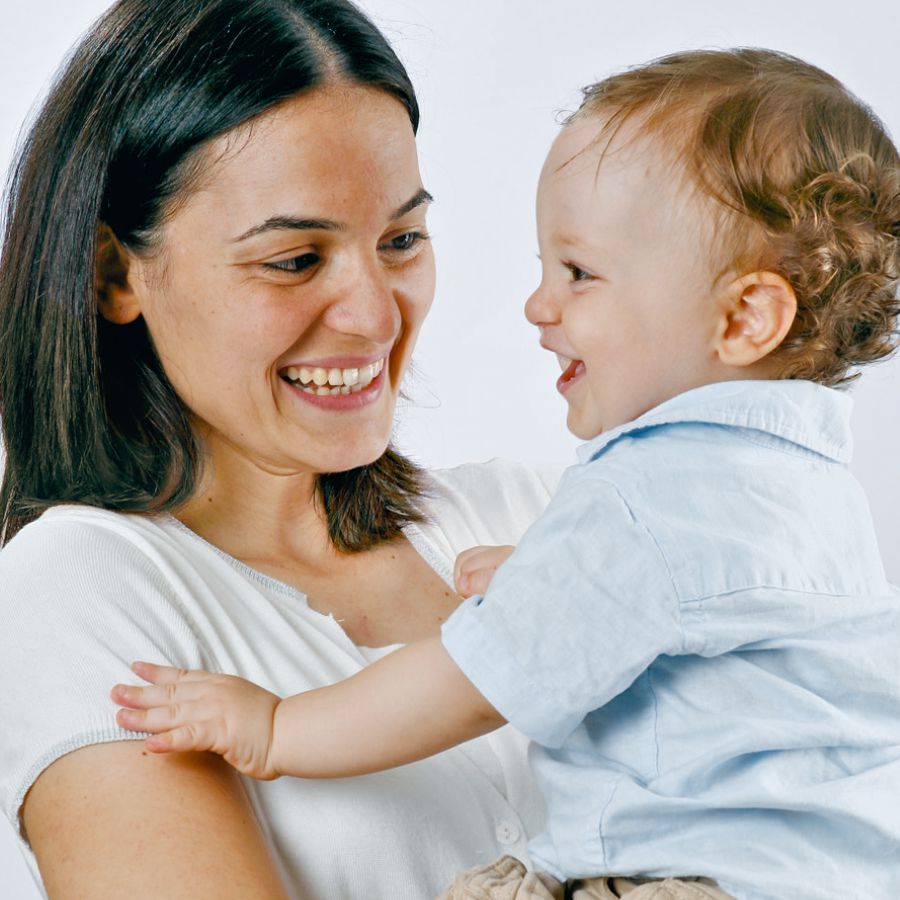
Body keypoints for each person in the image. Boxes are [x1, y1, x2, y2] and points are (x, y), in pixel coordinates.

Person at [114, 48, 900, 900]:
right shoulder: (812, 489)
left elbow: (474, 684)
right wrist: (552, 580)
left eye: (579, 273)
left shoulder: (642, 501)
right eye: (295, 258)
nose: (539, 305)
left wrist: (275, 728)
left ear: (745, 316)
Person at [0, 1, 559, 897]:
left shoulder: (536, 514)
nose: (377, 316)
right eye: (295, 259)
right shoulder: (82, 588)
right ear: (115, 274)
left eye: (402, 240)